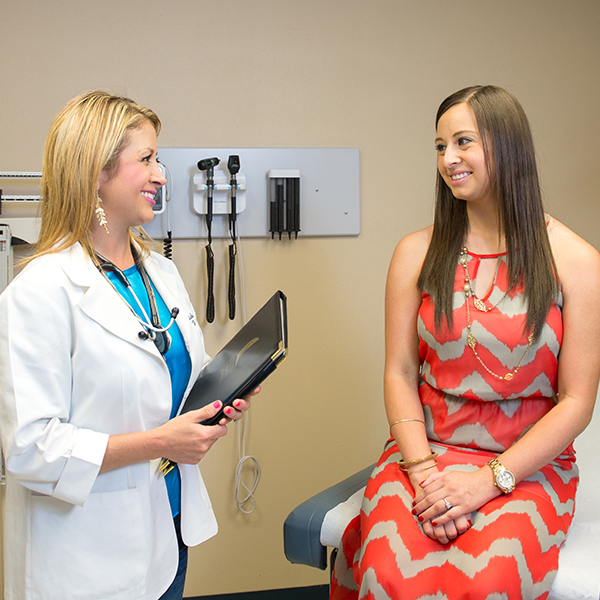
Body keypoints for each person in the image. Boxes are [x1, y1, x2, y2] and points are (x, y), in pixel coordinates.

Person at [330, 85, 600, 599]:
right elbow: (400, 374)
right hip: (423, 455)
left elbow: (578, 403)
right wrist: (425, 474)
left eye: (462, 142)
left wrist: (486, 482)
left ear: (507, 146)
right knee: (388, 571)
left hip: (524, 464)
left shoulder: (576, 261)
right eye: (439, 146)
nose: (447, 159)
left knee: (489, 578)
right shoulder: (415, 252)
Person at [0, 91, 258, 600]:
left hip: (165, 526)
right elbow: (29, 449)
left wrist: (228, 385)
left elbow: (174, 371)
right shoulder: (39, 291)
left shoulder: (159, 272)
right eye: (146, 159)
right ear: (96, 173)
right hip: (83, 556)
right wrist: (162, 442)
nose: (162, 174)